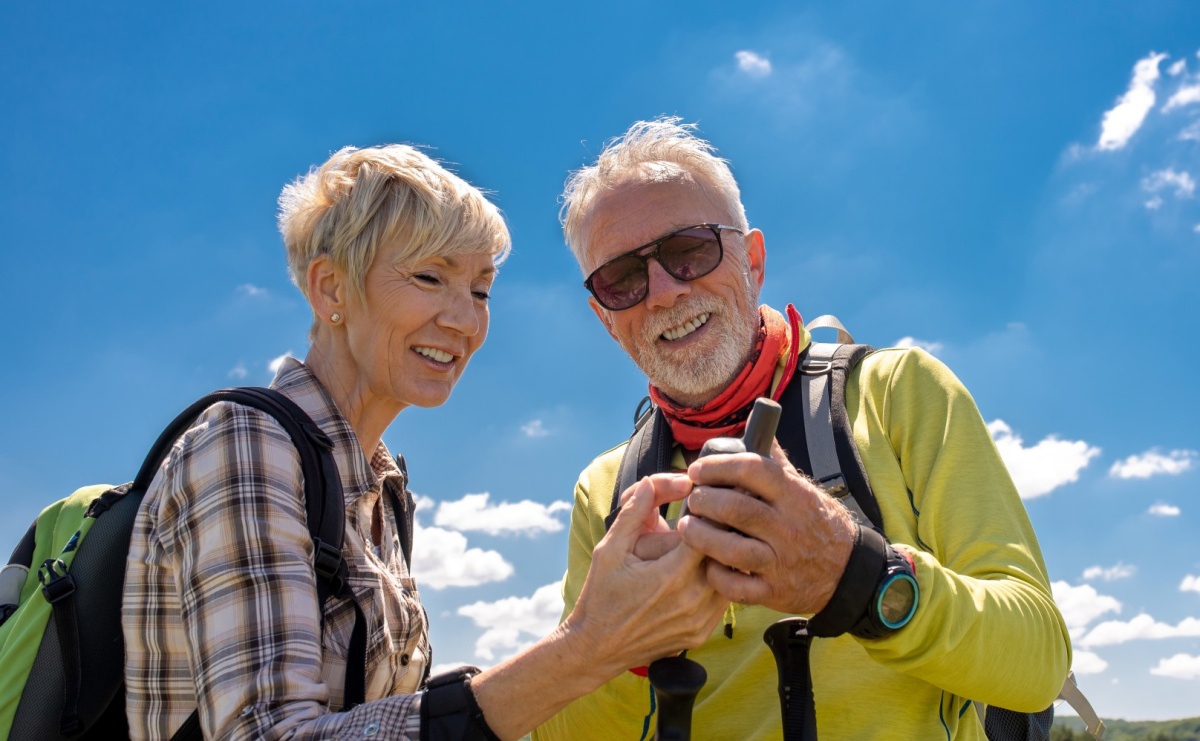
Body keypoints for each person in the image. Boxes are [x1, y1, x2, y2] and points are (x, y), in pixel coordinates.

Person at [121, 144, 726, 741]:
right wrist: (591, 647)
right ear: (331, 289)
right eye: (430, 277)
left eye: (481, 290)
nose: (465, 320)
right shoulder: (246, 444)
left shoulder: (378, 486)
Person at [533, 119, 1072, 740]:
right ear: (606, 318)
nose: (662, 293)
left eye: (689, 251)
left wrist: (855, 575)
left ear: (753, 260)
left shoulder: (898, 393)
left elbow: (1037, 661)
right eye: (621, 279)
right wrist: (617, 648)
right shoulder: (607, 490)